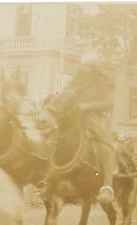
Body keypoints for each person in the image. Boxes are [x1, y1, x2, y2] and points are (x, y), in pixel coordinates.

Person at [41, 51, 117, 203]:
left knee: (106, 147)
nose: (84, 69)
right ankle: (47, 178)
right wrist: (53, 105)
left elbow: (109, 103)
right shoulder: (76, 81)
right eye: (82, 66)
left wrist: (87, 106)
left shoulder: (104, 82)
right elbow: (64, 94)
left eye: (87, 66)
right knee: (53, 138)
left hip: (95, 119)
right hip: (73, 119)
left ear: (94, 67)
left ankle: (107, 186)